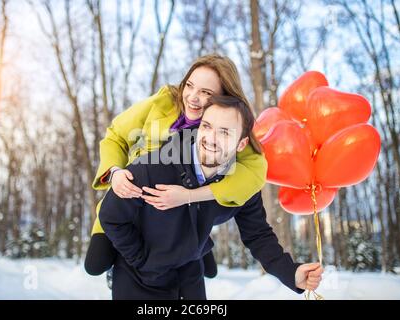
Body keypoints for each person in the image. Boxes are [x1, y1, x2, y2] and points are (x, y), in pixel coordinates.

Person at [99, 95, 323, 299]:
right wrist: (141, 258)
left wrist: (291, 273)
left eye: (225, 132)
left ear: (242, 144)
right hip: (139, 276)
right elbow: (110, 216)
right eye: (207, 126)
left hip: (189, 269)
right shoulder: (153, 167)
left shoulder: (241, 184)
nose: (211, 138)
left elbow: (258, 235)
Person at [84, 54, 268, 281]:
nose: (192, 97)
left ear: (223, 97)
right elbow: (115, 135)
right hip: (136, 200)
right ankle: (123, 268)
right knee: (95, 263)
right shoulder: (163, 103)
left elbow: (256, 169)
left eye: (206, 92)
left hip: (183, 212)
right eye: (190, 86)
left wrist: (194, 195)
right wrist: (115, 172)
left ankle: (191, 246)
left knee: (206, 271)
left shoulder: (223, 127)